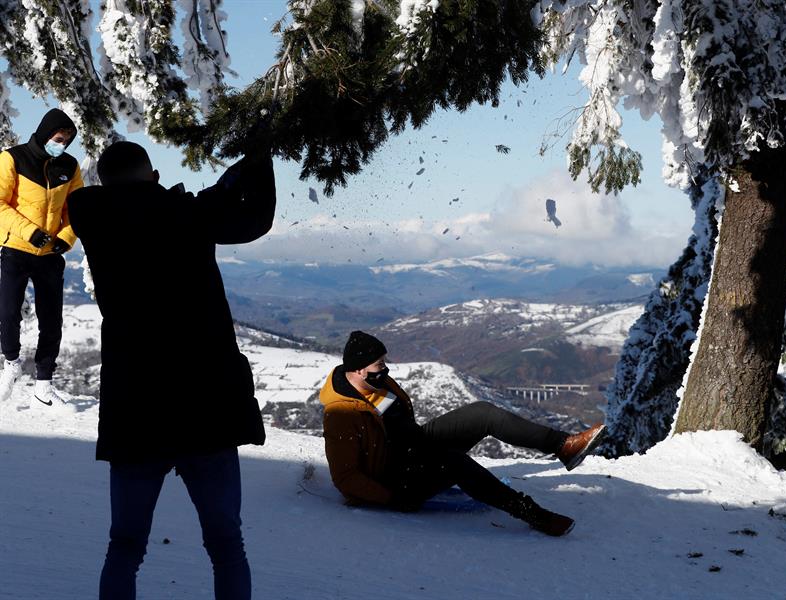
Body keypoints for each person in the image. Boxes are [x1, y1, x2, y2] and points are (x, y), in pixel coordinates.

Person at [67, 141, 275, 600]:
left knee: (124, 546)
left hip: (135, 406)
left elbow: (117, 203)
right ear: (154, 176)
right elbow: (254, 220)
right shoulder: (187, 214)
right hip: (207, 404)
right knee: (226, 546)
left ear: (104, 180)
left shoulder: (90, 214)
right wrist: (261, 164)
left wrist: (196, 197)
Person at [320, 330, 607, 536]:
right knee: (454, 461)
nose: (386, 369)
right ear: (358, 370)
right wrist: (392, 499)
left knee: (482, 412)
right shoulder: (341, 414)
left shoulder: (375, 383)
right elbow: (346, 478)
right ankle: (533, 514)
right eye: (379, 365)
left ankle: (564, 446)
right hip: (395, 480)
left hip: (414, 447)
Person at [0, 108, 82, 406]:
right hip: (17, 249)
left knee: (52, 321)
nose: (62, 144)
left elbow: (76, 209)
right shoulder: (13, 158)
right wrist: (30, 232)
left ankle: (43, 385)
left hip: (50, 255)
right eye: (59, 138)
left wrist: (66, 238)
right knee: (8, 312)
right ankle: (10, 363)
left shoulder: (70, 167)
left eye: (67, 141)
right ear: (46, 132)